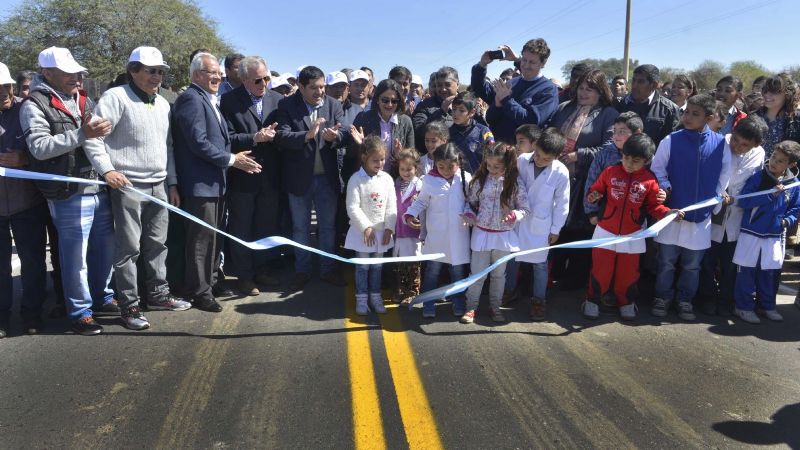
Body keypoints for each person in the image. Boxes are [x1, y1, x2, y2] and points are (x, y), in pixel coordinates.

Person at [82, 46, 190, 330]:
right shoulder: (115, 98)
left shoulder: (164, 103)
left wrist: (172, 182)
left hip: (159, 185)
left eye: (160, 71)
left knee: (157, 245)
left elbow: (168, 147)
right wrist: (107, 170)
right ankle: (129, 306)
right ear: (133, 71)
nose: (156, 76)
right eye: (150, 71)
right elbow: (93, 139)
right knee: (128, 249)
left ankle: (157, 294)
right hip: (128, 186)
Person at [20, 46, 114, 335]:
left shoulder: (82, 99)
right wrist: (82, 134)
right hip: (66, 192)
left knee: (103, 251)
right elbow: (39, 148)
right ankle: (80, 311)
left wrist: (106, 169)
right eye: (68, 72)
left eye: (77, 71)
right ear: (47, 73)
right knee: (75, 257)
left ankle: (103, 297)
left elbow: (93, 143)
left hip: (95, 188)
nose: (76, 76)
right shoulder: (33, 104)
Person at [172, 52, 262, 313]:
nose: (219, 77)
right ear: (197, 74)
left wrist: (234, 155)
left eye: (219, 73)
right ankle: (199, 291)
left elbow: (217, 139)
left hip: (216, 183)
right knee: (200, 240)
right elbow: (198, 142)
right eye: (212, 72)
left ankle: (210, 281)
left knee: (213, 237)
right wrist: (232, 160)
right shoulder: (191, 99)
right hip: (201, 185)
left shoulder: (209, 99)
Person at [650, 94, 732, 321]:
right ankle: (662, 297)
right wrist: (665, 187)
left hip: (701, 218)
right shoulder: (671, 140)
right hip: (673, 214)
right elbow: (658, 168)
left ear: (709, 117)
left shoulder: (720, 144)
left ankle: (685, 300)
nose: (687, 117)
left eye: (695, 114)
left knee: (692, 266)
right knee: (666, 262)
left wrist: (714, 199)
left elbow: (725, 174)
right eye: (686, 112)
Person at [584, 134, 682, 320]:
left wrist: (668, 213)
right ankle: (593, 300)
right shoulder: (610, 171)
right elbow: (596, 189)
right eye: (626, 157)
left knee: (628, 274)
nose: (629, 163)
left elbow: (654, 207)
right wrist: (593, 195)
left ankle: (626, 302)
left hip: (633, 235)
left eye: (635, 161)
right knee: (600, 270)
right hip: (605, 230)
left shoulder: (650, 181)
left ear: (647, 161)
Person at [275, 65, 346, 291]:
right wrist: (307, 135)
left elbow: (344, 134)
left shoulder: (333, 105)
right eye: (314, 88)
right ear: (302, 87)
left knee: (327, 227)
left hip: (327, 178)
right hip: (299, 179)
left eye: (322, 87)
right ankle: (302, 270)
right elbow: (282, 136)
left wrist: (334, 137)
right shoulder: (287, 105)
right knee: (300, 228)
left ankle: (327, 269)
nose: (320, 92)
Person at [548, 69, 619, 290]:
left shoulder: (608, 114)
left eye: (590, 89)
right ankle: (551, 276)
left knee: (580, 231)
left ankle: (575, 282)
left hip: (587, 180)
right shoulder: (564, 109)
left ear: (601, 92)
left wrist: (578, 155)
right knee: (557, 227)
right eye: (581, 87)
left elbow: (609, 147)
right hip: (558, 177)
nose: (583, 92)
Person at [219, 56, 284, 296]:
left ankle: (263, 268)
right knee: (242, 227)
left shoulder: (277, 100)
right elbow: (226, 138)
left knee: (265, 226)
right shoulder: (228, 102)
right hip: (243, 176)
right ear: (244, 79)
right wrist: (254, 137)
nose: (264, 83)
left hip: (270, 177)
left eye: (267, 78)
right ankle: (244, 277)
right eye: (258, 80)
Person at [697, 116, 766, 316]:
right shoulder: (720, 142)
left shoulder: (759, 154)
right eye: (736, 140)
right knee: (707, 261)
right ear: (733, 131)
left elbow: (756, 182)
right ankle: (707, 298)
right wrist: (719, 193)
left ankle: (726, 301)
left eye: (745, 145)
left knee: (730, 264)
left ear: (756, 145)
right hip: (714, 213)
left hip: (737, 217)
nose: (738, 146)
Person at [0, 61, 48, 337]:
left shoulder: (28, 109)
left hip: (28, 202)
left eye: (6, 86)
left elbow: (47, 148)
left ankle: (32, 314)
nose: (4, 93)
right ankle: (2, 318)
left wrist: (25, 158)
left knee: (33, 262)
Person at [459, 142, 529, 324]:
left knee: (499, 275)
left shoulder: (515, 183)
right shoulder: (480, 180)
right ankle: (471, 308)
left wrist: (515, 215)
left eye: (496, 166)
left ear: (507, 164)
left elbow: (525, 208)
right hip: (481, 234)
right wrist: (469, 214)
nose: (491, 169)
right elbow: (470, 203)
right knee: (477, 274)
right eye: (488, 165)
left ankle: (495, 307)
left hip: (503, 237)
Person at [732, 140, 800, 323]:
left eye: (780, 161)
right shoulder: (758, 177)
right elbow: (743, 201)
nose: (773, 162)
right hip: (751, 231)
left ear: (791, 165)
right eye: (773, 157)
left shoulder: (794, 184)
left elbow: (795, 209)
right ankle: (743, 307)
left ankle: (767, 306)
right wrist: (769, 195)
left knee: (769, 273)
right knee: (746, 271)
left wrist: (786, 221)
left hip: (774, 235)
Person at [404, 143, 471, 319]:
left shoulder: (466, 178)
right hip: (437, 237)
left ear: (459, 162)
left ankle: (458, 300)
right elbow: (421, 201)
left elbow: (471, 202)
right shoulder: (429, 180)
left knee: (457, 272)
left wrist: (470, 213)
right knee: (432, 271)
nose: (446, 170)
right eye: (441, 166)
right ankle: (428, 302)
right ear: (435, 163)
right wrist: (410, 214)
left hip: (458, 236)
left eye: (451, 166)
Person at [515, 128, 569, 320]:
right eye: (538, 155)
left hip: (542, 225)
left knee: (540, 264)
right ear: (535, 145)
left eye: (546, 159)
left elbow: (563, 203)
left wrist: (556, 229)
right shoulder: (521, 160)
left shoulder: (561, 172)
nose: (539, 160)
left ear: (557, 156)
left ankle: (538, 300)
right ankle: (508, 291)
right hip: (518, 221)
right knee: (512, 260)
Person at [344, 135, 396, 315]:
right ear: (364, 157)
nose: (380, 163)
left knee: (377, 266)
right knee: (363, 266)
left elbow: (391, 206)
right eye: (376, 160)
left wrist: (389, 227)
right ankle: (361, 299)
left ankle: (375, 296)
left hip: (382, 233)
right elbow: (352, 207)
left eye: (383, 159)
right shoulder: (355, 180)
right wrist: (366, 227)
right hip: (363, 234)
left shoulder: (387, 179)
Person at [471, 39, 559, 144]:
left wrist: (506, 100)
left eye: (532, 62)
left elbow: (531, 121)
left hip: (520, 153)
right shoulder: (511, 83)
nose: (526, 65)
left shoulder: (548, 90)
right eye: (524, 60)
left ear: (543, 63)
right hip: (496, 149)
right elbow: (482, 91)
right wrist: (482, 65)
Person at [583, 112, 644, 218]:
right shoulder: (604, 154)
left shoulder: (646, 155)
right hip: (605, 215)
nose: (615, 136)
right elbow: (591, 183)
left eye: (622, 132)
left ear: (637, 133)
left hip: (634, 219)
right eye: (614, 131)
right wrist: (592, 213)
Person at [350, 79, 414, 174]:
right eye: (385, 100)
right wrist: (362, 144)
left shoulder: (406, 121)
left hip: (395, 180)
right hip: (368, 178)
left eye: (394, 101)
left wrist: (400, 155)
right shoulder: (363, 118)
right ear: (377, 100)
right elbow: (351, 154)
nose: (389, 104)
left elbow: (411, 157)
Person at [614, 64, 680, 145]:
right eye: (633, 80)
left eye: (640, 82)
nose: (634, 85)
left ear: (654, 85)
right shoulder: (622, 103)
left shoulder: (669, 109)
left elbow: (670, 144)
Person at [392, 147, 423, 305]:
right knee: (400, 263)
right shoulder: (396, 184)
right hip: (399, 231)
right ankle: (401, 289)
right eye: (402, 169)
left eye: (409, 169)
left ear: (416, 169)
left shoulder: (420, 186)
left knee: (413, 264)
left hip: (413, 232)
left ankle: (413, 291)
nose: (405, 172)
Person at [411, 66, 460, 153]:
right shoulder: (425, 105)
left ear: (457, 84)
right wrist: (441, 112)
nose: (443, 89)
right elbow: (419, 131)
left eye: (448, 84)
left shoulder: (467, 103)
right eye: (439, 85)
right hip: (434, 161)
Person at [755, 74, 800, 159]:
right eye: (765, 90)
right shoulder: (753, 117)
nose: (767, 94)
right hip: (751, 170)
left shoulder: (796, 121)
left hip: (783, 171)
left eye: (774, 91)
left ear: (787, 94)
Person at [448, 91, 495, 172]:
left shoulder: (483, 131)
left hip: (478, 179)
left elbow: (493, 153)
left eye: (461, 110)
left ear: (472, 112)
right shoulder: (447, 133)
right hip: (456, 180)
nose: (456, 113)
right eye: (454, 109)